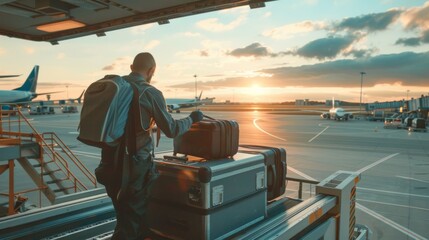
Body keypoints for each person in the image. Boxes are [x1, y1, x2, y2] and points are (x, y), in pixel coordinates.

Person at [98, 52, 203, 240]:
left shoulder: (115, 88)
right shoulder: (150, 92)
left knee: (125, 215)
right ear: (152, 70)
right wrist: (192, 119)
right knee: (129, 224)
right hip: (133, 167)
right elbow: (172, 129)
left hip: (108, 162)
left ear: (131, 67)